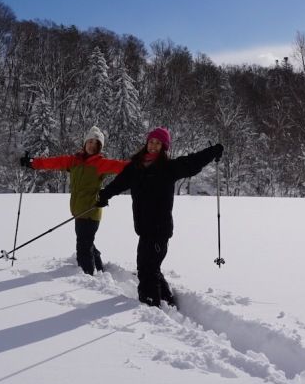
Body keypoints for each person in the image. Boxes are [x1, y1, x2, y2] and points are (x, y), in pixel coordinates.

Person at [95, 127, 223, 307]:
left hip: (159, 230)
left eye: (158, 143)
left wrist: (212, 152)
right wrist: (104, 195)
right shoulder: (136, 167)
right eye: (151, 142)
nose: (153, 146)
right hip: (143, 229)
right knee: (149, 268)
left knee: (147, 269)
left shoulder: (168, 168)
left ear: (164, 147)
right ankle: (167, 300)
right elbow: (119, 183)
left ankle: (150, 304)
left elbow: (192, 162)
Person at [20, 126, 128, 275]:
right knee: (86, 241)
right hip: (78, 211)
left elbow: (122, 166)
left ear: (99, 147)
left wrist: (144, 165)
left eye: (96, 143)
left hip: (91, 211)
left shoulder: (100, 163)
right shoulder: (74, 161)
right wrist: (32, 163)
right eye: (90, 141)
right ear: (85, 144)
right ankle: (99, 267)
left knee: (83, 246)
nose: (92, 145)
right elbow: (53, 162)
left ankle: (87, 276)